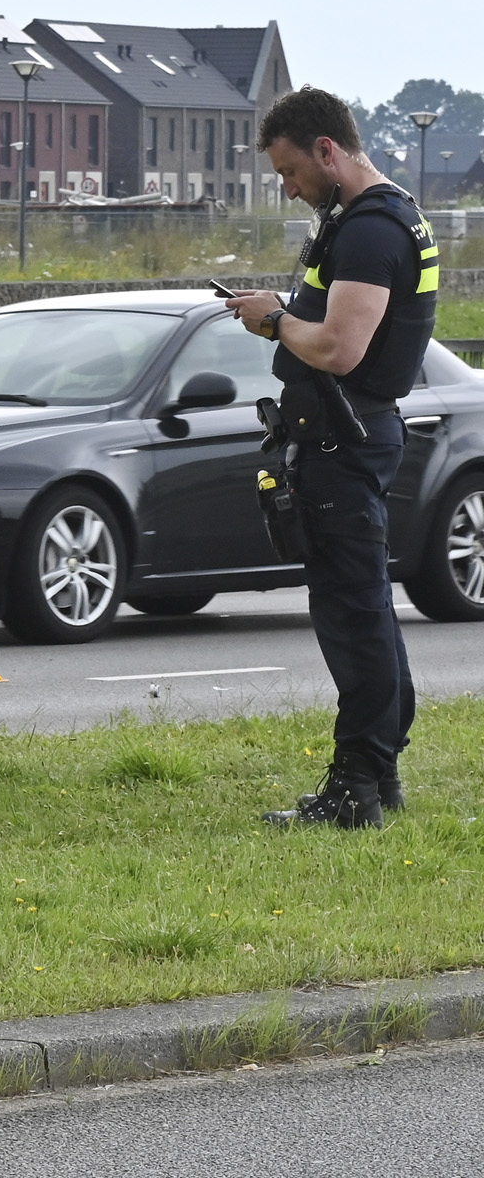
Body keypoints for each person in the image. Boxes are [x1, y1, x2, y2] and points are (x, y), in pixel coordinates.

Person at [225, 86, 438, 830]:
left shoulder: (371, 231)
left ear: (327, 150)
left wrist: (273, 319)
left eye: (290, 172)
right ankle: (379, 775)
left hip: (345, 443)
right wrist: (278, 315)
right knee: (363, 610)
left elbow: (341, 349)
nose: (288, 188)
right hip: (348, 436)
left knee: (353, 616)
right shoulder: (366, 219)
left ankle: (355, 789)